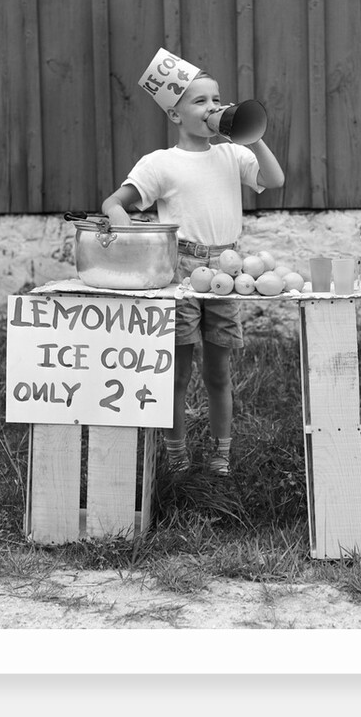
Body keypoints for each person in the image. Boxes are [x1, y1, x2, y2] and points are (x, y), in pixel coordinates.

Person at [101, 50, 284, 477]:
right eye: (200, 101)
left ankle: (221, 456)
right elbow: (115, 201)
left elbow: (274, 180)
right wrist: (123, 225)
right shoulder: (160, 163)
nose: (213, 108)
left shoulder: (231, 155)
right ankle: (177, 454)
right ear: (176, 115)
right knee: (177, 373)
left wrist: (250, 136)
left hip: (227, 269)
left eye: (217, 99)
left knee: (218, 373)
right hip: (180, 271)